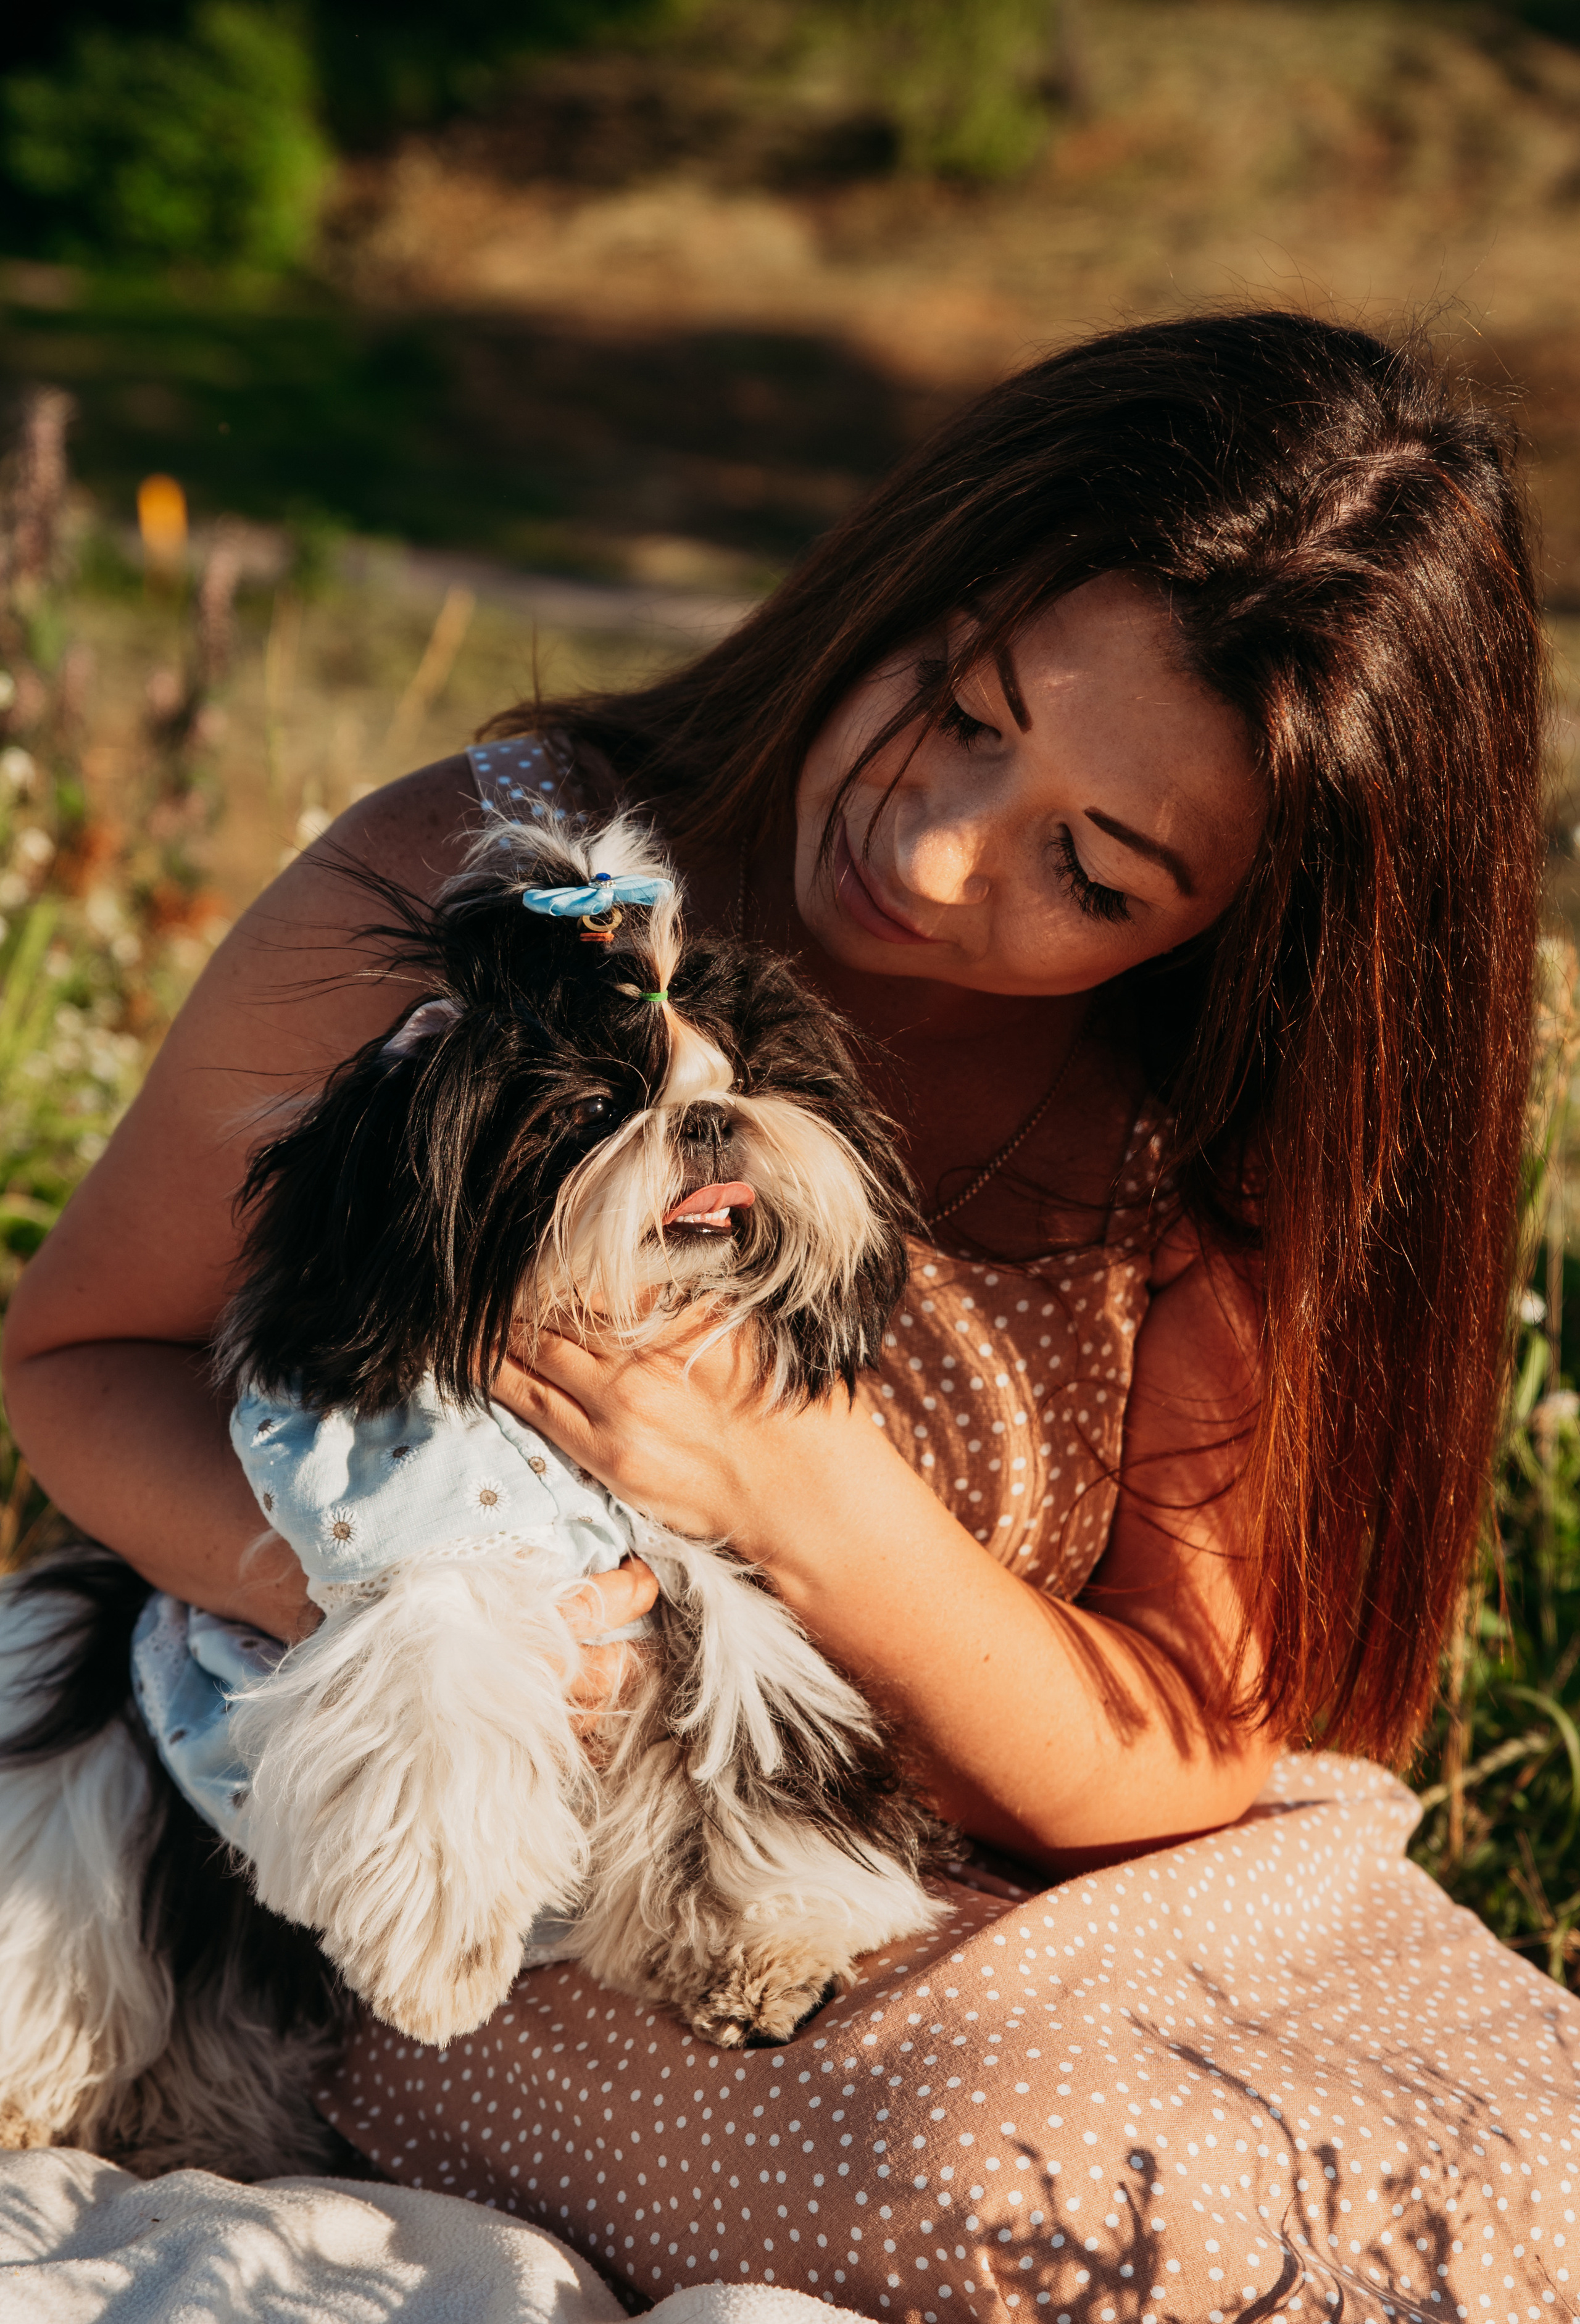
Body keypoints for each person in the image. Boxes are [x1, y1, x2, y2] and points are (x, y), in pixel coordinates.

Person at [4, 312, 1566, 2323]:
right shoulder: (492, 907)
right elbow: (81, 1362)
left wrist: (802, 1489)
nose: (932, 847)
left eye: (1094, 870)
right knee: (1049, 2208)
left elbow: (1186, 1741)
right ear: (909, 571)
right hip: (578, 1910)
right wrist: (432, 1618)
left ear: (1255, 924)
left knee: (1508, 2161)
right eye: (960, 702)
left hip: (1091, 1882)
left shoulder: (1208, 1129)